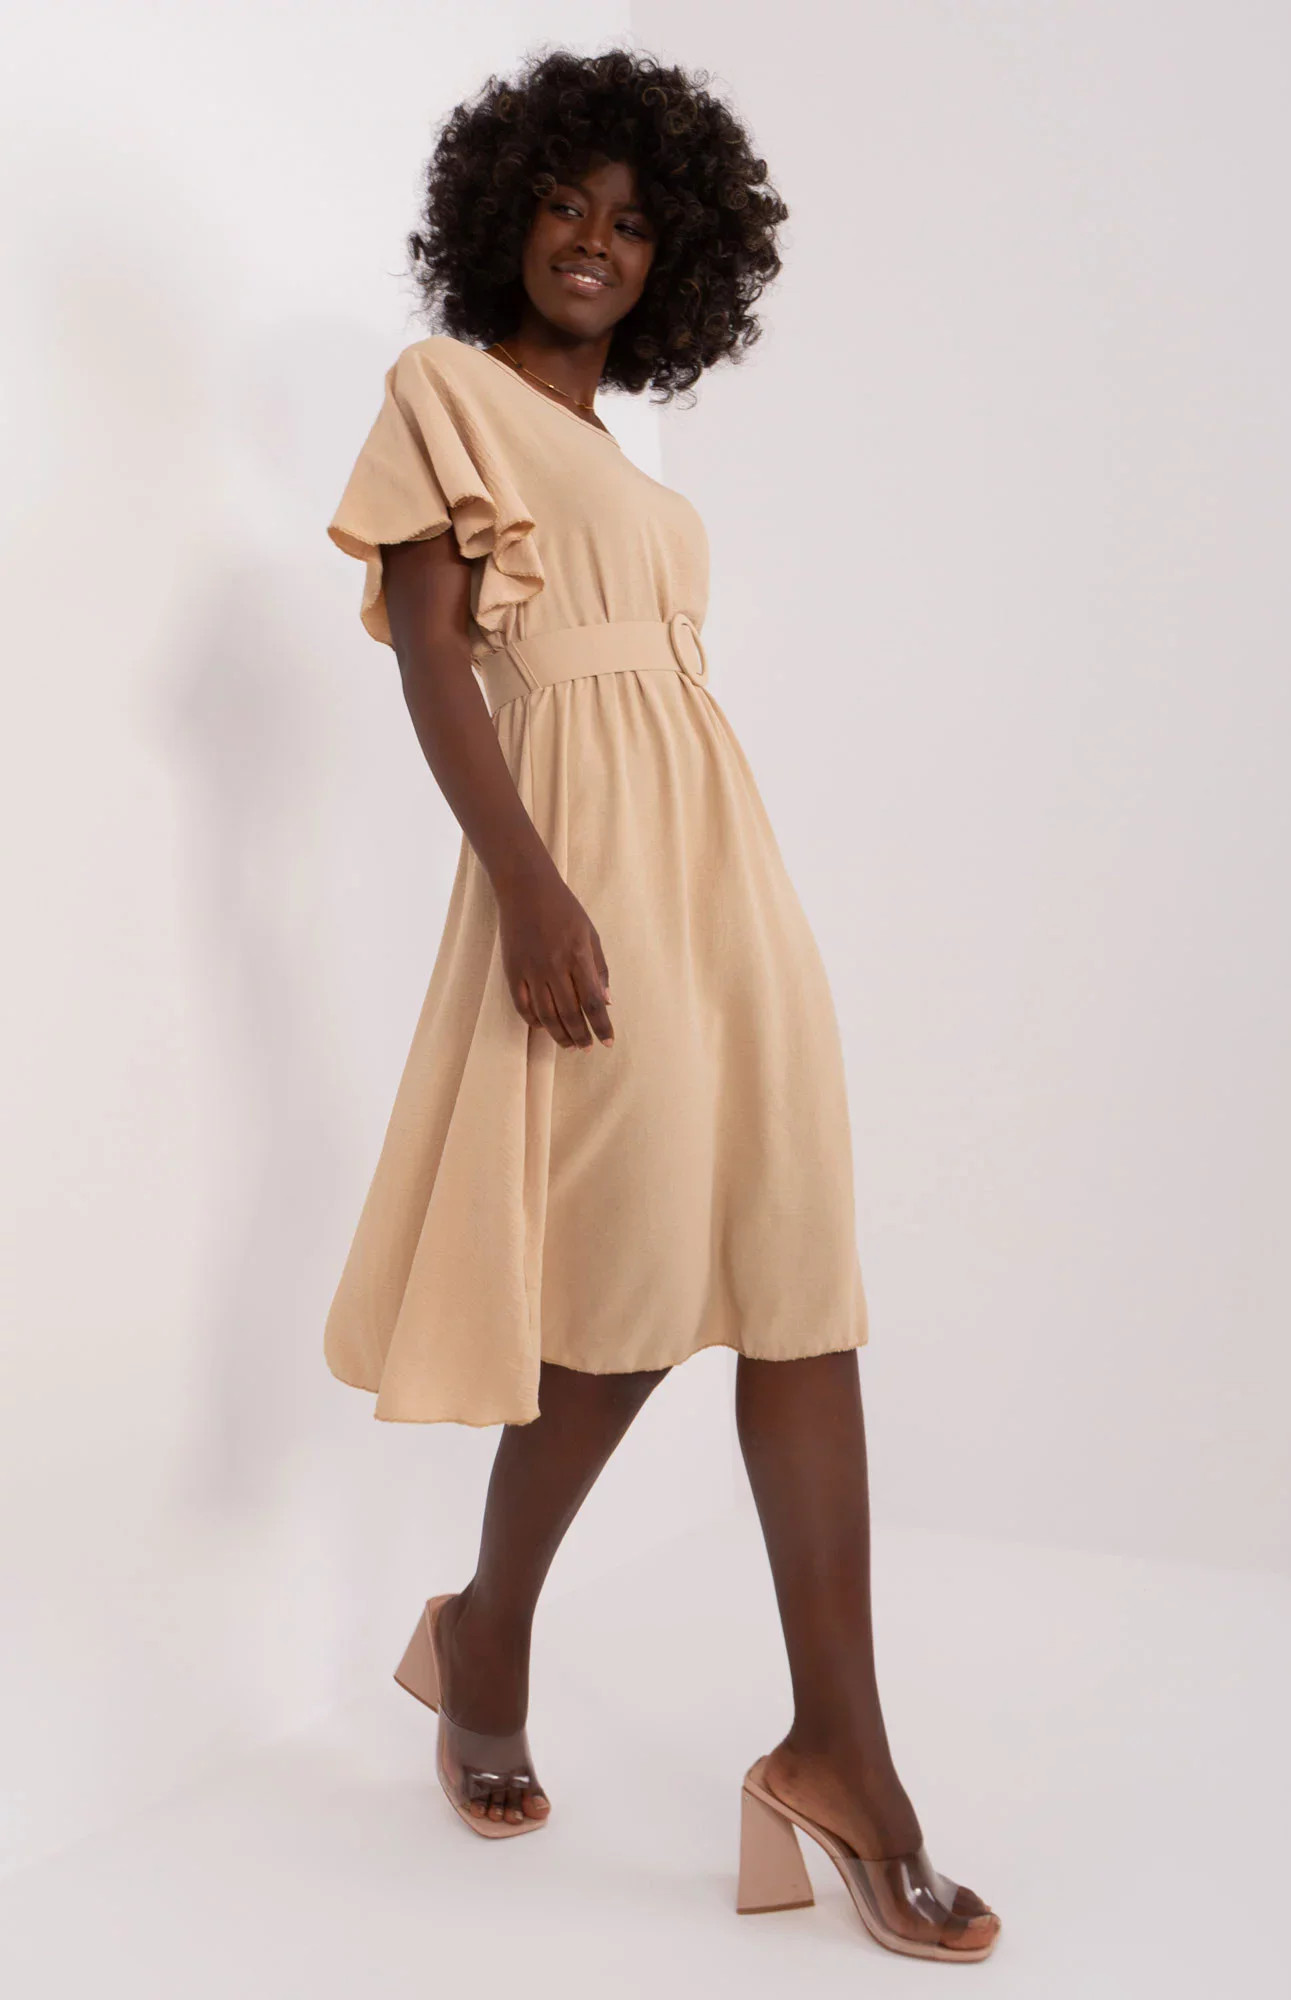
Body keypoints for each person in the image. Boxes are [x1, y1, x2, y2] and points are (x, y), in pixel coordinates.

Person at [323, 47, 999, 1963]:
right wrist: (533, 885)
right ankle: (487, 1633)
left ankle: (842, 1753)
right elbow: (436, 658)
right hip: (584, 879)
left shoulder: (628, 471)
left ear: (676, 261)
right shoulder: (443, 394)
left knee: (801, 1285)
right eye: (567, 204)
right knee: (619, 1312)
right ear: (504, 212)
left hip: (726, 885)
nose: (595, 242)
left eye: (633, 224)